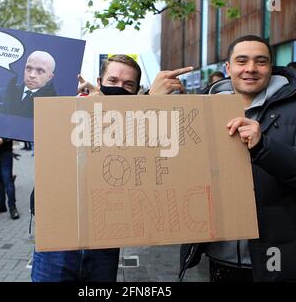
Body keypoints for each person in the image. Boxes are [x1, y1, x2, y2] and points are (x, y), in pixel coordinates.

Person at [179, 35, 296, 282]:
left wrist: (264, 146)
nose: (251, 68)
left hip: (281, 259)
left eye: (260, 61)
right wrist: (152, 100)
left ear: (271, 68)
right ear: (228, 68)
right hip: (220, 257)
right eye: (242, 61)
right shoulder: (201, 110)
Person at [32, 54, 193, 282]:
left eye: (128, 85)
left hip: (105, 236)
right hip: (59, 235)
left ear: (137, 90)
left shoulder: (146, 122)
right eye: (113, 81)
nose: (120, 88)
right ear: (98, 83)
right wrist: (94, 112)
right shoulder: (70, 108)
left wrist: (150, 104)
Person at [0, 51, 57, 118]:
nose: (32, 75)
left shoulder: (54, 107)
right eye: (28, 69)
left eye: (40, 71)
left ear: (50, 77)